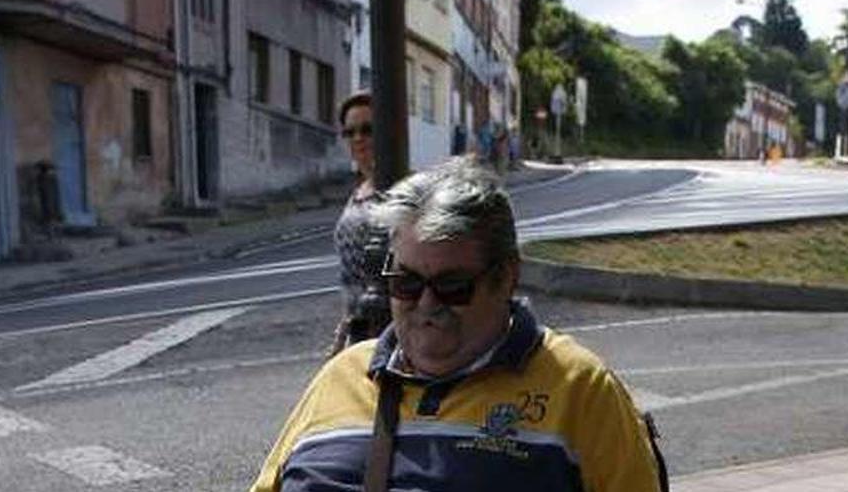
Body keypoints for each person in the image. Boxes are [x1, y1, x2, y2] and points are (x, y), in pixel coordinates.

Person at [250, 157, 667, 492]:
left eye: (452, 286)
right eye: (407, 283)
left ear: (505, 278)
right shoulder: (340, 376)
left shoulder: (580, 389)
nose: (426, 304)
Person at [329, 92, 389, 353]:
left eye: (367, 130)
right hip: (360, 330)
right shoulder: (358, 193)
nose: (358, 138)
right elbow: (350, 279)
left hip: (392, 329)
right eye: (349, 132)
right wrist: (343, 333)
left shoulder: (404, 187)